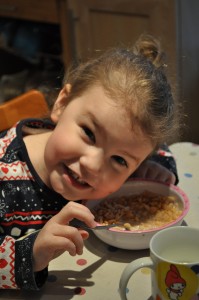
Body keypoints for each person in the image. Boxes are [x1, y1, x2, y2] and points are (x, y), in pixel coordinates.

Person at [0, 34, 180, 290]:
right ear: (62, 103)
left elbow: (159, 149)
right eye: (88, 133)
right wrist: (30, 255)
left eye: (119, 160)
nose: (94, 165)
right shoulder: (5, 177)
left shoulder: (128, 147)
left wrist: (159, 168)